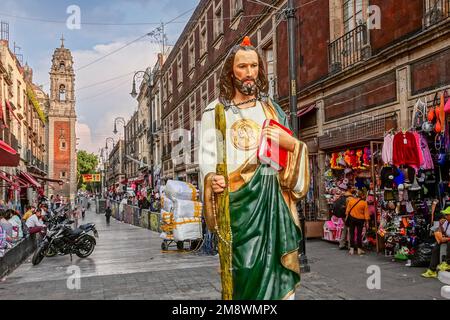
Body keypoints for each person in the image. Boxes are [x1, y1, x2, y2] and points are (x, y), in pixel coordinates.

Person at [199, 37, 309, 300]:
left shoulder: (270, 109)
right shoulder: (216, 111)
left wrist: (292, 144)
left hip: (273, 204)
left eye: (254, 66)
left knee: (276, 270)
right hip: (237, 208)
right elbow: (207, 157)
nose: (249, 73)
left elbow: (289, 150)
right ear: (230, 71)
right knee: (243, 271)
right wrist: (211, 178)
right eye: (242, 67)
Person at [422, 207, 450, 278]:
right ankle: (432, 270)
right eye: (445, 214)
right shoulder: (446, 222)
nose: (445, 216)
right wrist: (440, 225)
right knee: (436, 246)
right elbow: (442, 231)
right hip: (447, 239)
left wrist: (446, 238)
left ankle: (448, 263)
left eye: (447, 214)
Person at [345, 189, 370, 255]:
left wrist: (346, 218)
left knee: (352, 234)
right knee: (359, 234)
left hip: (352, 219)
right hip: (360, 220)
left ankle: (351, 250)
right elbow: (366, 214)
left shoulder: (351, 201)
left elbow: (347, 211)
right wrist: (367, 222)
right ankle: (359, 249)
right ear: (361, 195)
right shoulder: (364, 203)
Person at [334, 185, 353, 249]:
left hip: (342, 215)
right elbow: (350, 208)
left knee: (345, 228)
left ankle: (341, 244)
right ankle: (350, 245)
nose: (353, 189)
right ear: (349, 189)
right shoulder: (350, 197)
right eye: (352, 188)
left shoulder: (342, 196)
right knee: (350, 229)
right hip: (347, 215)